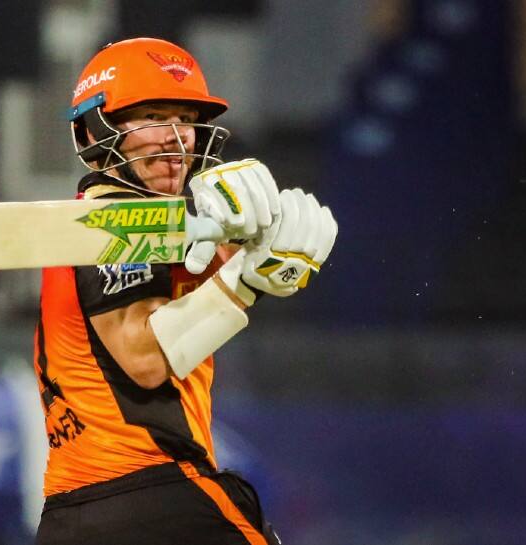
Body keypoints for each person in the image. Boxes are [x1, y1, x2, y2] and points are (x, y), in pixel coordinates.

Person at [33, 37, 337, 545]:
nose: (176, 139)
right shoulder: (113, 217)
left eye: (185, 119)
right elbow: (143, 357)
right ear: (92, 129)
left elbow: (184, 294)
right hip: (155, 494)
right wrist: (245, 282)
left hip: (73, 517)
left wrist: (255, 248)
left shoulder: (141, 224)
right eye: (152, 115)